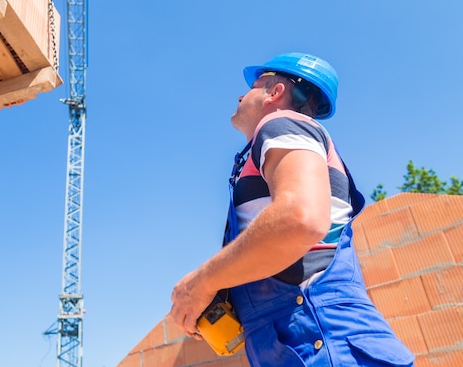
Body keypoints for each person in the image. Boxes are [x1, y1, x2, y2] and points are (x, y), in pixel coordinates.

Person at [169, 53, 415, 367]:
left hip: (321, 344)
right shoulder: (282, 142)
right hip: (309, 343)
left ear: (275, 93)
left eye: (253, 86)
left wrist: (202, 282)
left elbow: (300, 219)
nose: (240, 95)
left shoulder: (280, 123)